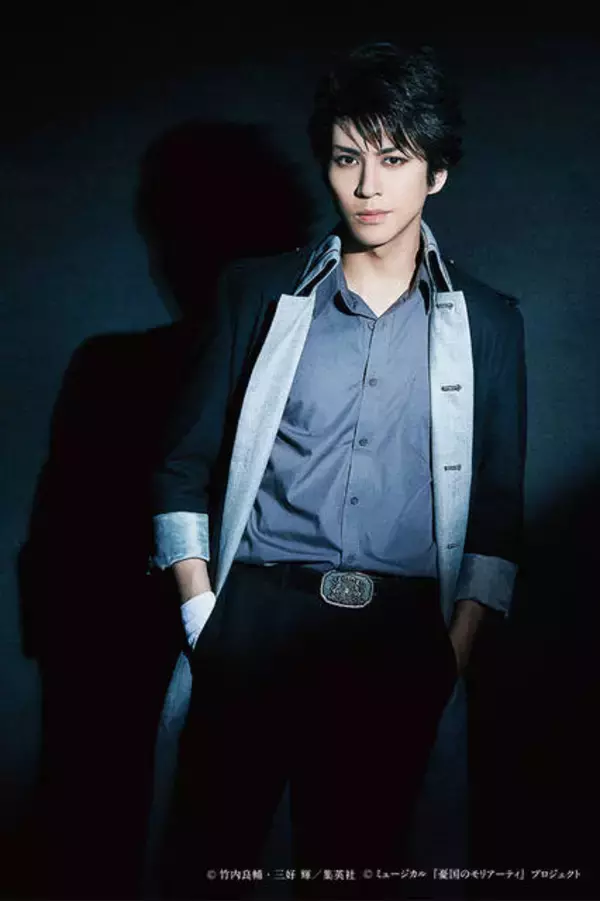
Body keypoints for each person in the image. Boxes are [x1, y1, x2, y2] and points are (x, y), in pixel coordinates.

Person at [147, 41, 527, 900]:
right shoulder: (257, 293)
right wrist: (205, 616)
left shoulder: (490, 323)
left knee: (355, 874)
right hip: (255, 625)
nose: (367, 186)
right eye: (348, 157)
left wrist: (454, 651)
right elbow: (179, 466)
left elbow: (498, 508)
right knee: (205, 867)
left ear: (435, 174)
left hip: (397, 643)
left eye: (393, 160)